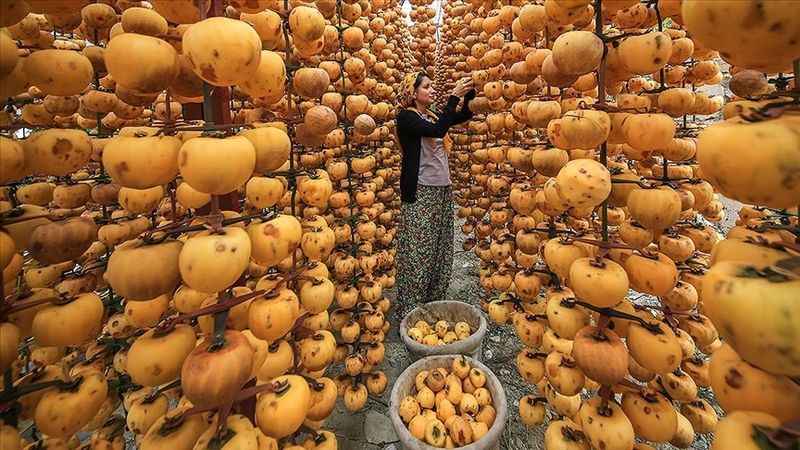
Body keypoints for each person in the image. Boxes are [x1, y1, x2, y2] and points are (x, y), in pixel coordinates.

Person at [394, 71, 475, 315]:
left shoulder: (430, 115)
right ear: (413, 92)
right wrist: (453, 96)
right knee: (420, 248)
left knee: (440, 245)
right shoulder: (407, 118)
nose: (432, 90)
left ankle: (432, 299)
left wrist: (469, 95)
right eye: (427, 87)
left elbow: (462, 116)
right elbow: (439, 130)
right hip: (421, 189)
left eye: (432, 86)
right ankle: (411, 306)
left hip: (441, 188)